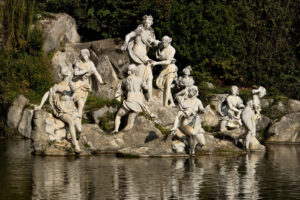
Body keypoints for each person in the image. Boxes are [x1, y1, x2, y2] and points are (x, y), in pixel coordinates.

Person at [35, 67, 81, 153]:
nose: (72, 75)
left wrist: (70, 83)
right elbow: (47, 93)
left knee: (79, 129)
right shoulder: (58, 86)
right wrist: (40, 105)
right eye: (70, 74)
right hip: (63, 110)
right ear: (67, 75)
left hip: (72, 110)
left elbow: (74, 90)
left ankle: (72, 136)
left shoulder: (71, 85)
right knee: (71, 122)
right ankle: (76, 145)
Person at [121, 15, 160, 101]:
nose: (147, 23)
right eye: (146, 22)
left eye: (149, 22)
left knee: (150, 77)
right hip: (138, 55)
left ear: (151, 23)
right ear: (143, 22)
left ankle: (150, 98)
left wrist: (158, 42)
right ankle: (137, 98)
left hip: (145, 55)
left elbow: (154, 42)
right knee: (140, 77)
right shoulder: (139, 29)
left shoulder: (151, 31)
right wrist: (125, 43)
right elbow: (129, 35)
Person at [113, 64, 158, 133]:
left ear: (129, 72)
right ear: (135, 71)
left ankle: (116, 129)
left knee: (118, 115)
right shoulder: (139, 80)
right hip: (139, 101)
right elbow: (146, 87)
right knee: (147, 113)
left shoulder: (125, 81)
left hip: (129, 101)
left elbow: (120, 89)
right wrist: (146, 81)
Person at [171, 86, 206, 155]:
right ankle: (191, 152)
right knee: (192, 134)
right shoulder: (184, 100)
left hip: (195, 122)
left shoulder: (198, 101)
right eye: (192, 90)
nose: (194, 92)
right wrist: (174, 127)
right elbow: (177, 95)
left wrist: (202, 110)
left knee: (202, 143)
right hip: (186, 122)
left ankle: (193, 149)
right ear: (189, 91)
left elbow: (201, 108)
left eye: (195, 90)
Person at [72, 49, 105, 117]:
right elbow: (76, 73)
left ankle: (78, 119)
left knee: (81, 105)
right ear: (81, 56)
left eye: (85, 55)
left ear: (88, 55)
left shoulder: (91, 63)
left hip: (86, 85)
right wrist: (85, 71)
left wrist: (101, 81)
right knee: (74, 101)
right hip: (78, 83)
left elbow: (96, 73)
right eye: (83, 55)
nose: (84, 57)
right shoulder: (78, 62)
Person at [151, 36, 177, 107]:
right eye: (163, 42)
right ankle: (172, 102)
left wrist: (156, 63)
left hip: (170, 69)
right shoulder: (161, 44)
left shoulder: (172, 50)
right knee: (165, 87)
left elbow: (168, 62)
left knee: (168, 85)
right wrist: (151, 40)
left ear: (169, 42)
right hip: (163, 69)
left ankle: (165, 104)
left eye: (165, 42)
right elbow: (155, 42)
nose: (164, 43)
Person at [241, 86, 267, 150]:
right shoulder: (254, 95)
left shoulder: (258, 99)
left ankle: (238, 138)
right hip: (247, 112)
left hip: (252, 114)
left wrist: (258, 114)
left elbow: (257, 108)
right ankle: (246, 147)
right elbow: (252, 92)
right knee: (250, 130)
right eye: (262, 93)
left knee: (250, 131)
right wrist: (259, 89)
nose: (262, 95)